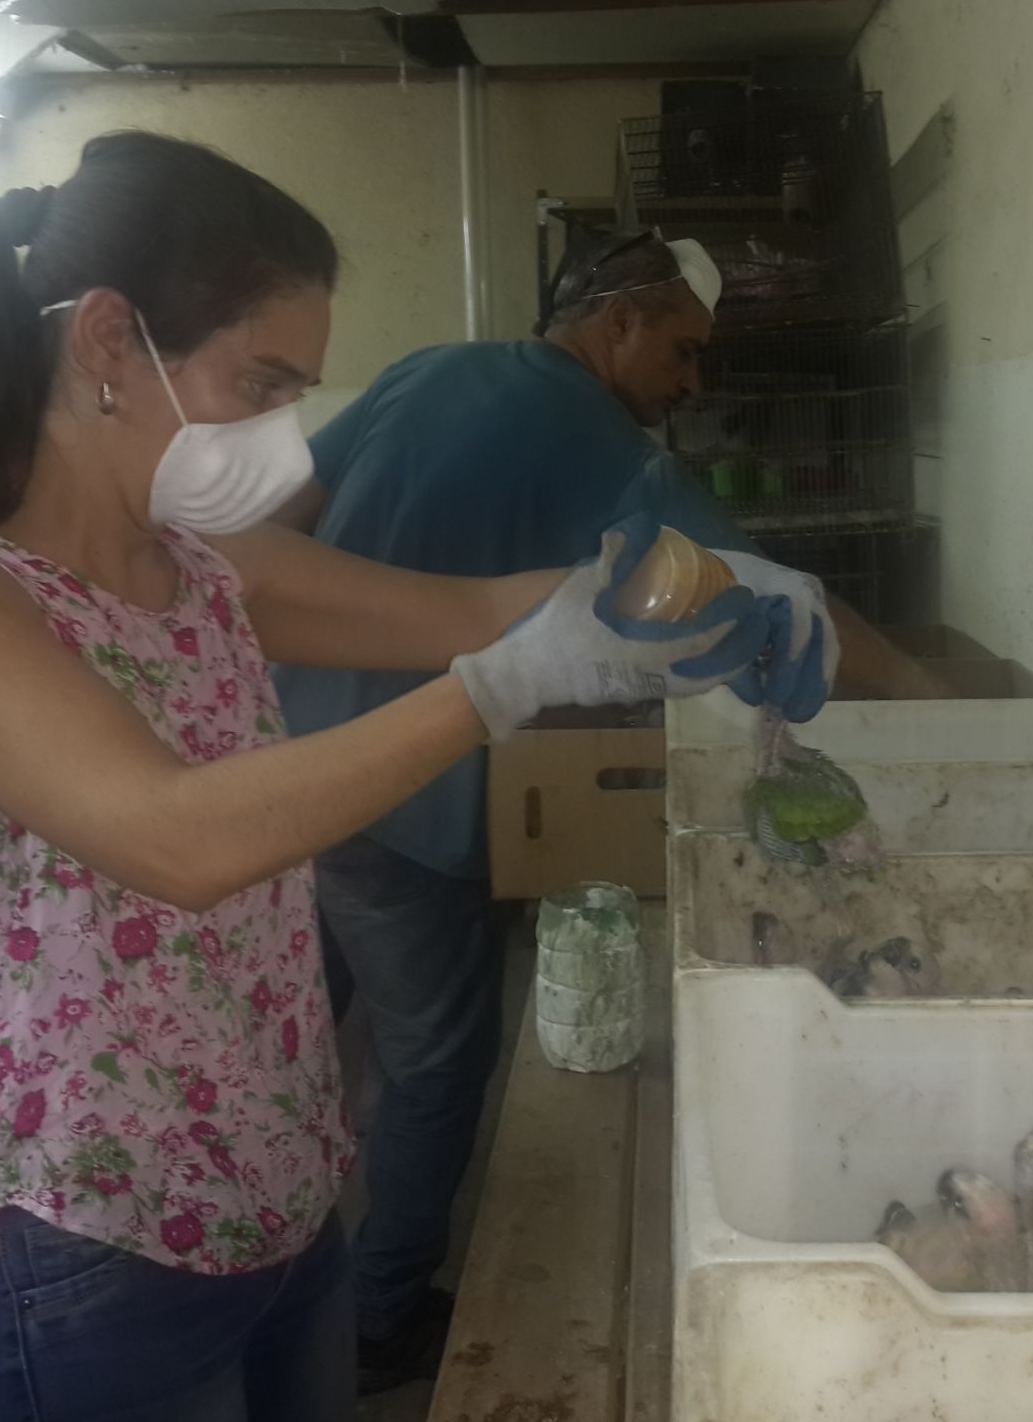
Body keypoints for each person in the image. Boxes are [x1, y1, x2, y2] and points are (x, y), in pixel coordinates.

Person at [0, 132, 824, 1422]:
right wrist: (503, 686)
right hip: (81, 1236)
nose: (283, 441)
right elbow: (176, 839)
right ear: (109, 341)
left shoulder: (202, 566)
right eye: (260, 383)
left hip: (279, 1192)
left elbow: (472, 608)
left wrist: (702, 587)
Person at [271, 228, 948, 1389]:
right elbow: (773, 602)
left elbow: (286, 515)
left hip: (291, 761)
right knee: (435, 1062)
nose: (690, 382)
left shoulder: (425, 370)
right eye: (682, 350)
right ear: (618, 321)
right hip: (409, 796)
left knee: (289, 1033)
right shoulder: (609, 449)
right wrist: (929, 694)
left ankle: (276, 1272)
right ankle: (379, 1317)